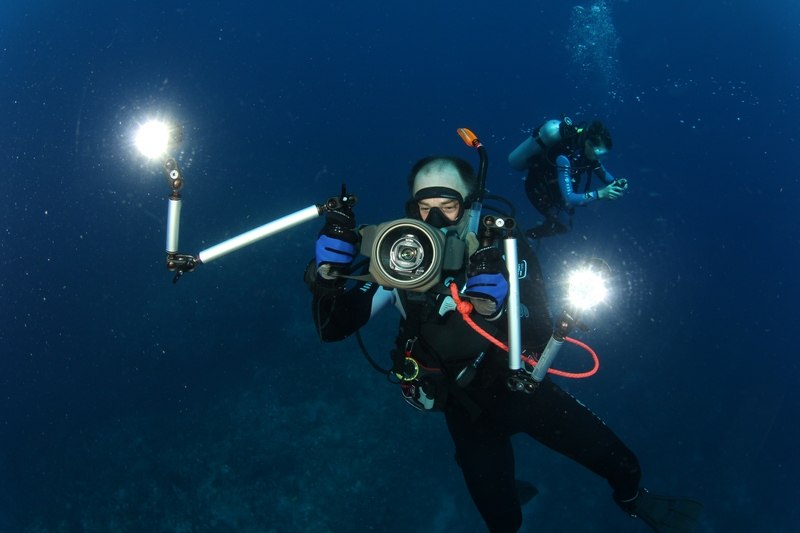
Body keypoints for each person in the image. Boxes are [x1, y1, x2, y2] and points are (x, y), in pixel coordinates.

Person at [306, 155, 701, 532]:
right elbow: (333, 328)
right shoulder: (399, 261)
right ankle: (502, 489)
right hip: (465, 407)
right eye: (424, 208)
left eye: (449, 206)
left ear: (472, 205)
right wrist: (328, 279)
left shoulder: (506, 250)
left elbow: (541, 331)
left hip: (522, 390)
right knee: (503, 522)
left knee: (625, 466)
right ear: (411, 209)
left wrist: (496, 305)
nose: (436, 220)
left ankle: (632, 500)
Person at [508, 118, 629, 240]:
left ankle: (529, 234)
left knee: (564, 222)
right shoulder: (564, 158)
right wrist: (600, 193)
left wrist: (616, 182)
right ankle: (524, 238)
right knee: (563, 225)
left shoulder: (588, 153)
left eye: (603, 154)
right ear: (588, 143)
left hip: (555, 188)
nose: (599, 157)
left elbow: (603, 173)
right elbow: (570, 198)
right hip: (539, 189)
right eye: (599, 153)